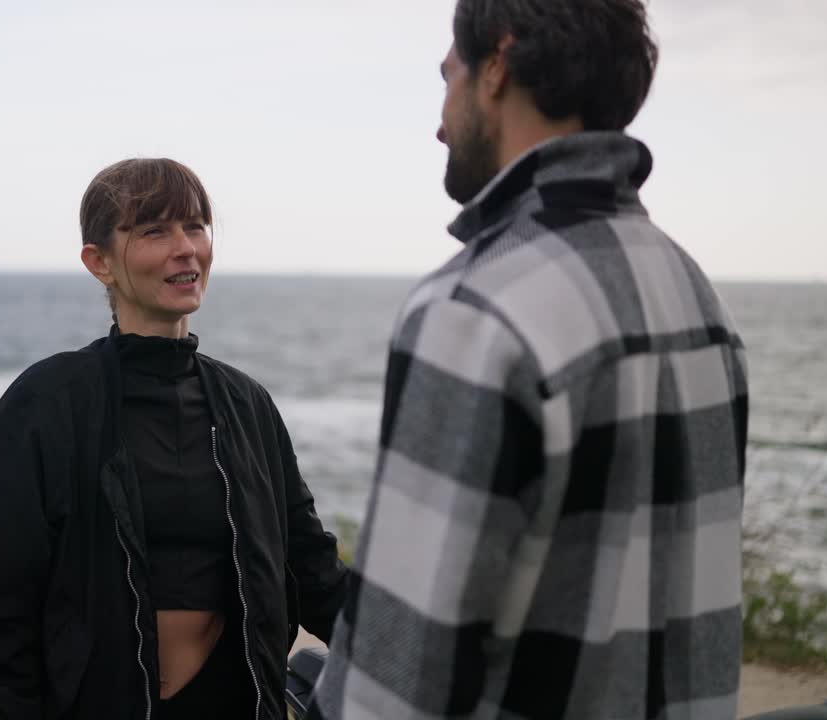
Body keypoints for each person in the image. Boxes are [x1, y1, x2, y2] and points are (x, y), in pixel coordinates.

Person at [309, 1, 749, 718]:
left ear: (498, 65)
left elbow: (394, 687)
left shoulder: (474, 310)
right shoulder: (695, 295)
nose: (439, 120)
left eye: (447, 74)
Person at [0, 157, 349, 720]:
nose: (186, 248)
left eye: (196, 226)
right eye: (154, 230)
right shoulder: (47, 404)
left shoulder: (247, 406)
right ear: (99, 262)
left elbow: (315, 574)